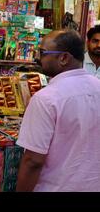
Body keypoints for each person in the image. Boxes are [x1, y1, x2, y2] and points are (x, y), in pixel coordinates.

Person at [16, 30, 100, 192]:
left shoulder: (46, 99)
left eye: (42, 53)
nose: (38, 58)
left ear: (63, 58)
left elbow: (33, 161)